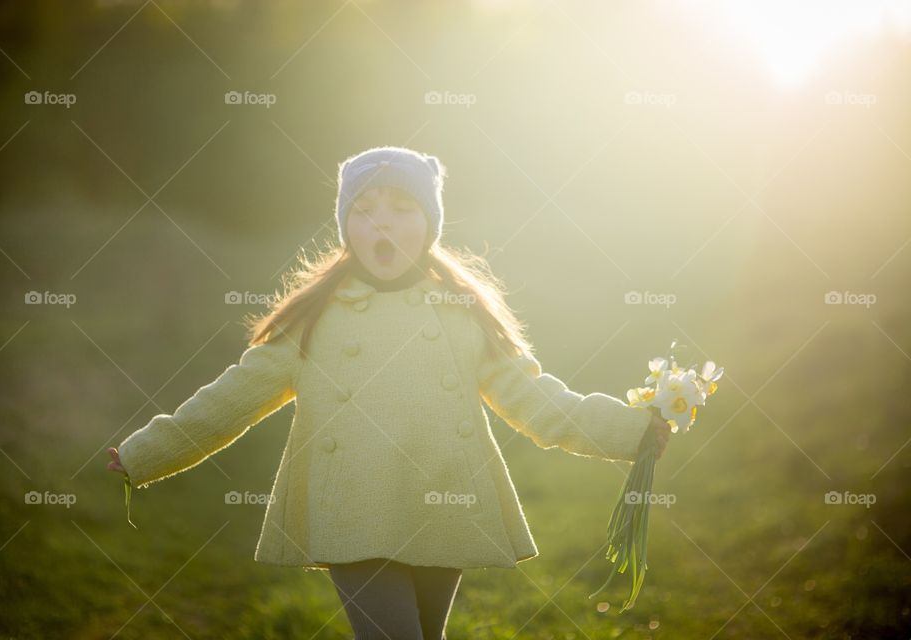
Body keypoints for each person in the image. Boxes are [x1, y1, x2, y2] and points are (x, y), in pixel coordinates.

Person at [108, 145, 672, 639]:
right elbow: (230, 400)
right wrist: (145, 453)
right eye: (364, 210)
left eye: (402, 209)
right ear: (346, 227)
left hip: (444, 502)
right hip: (353, 508)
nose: (382, 223)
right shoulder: (312, 320)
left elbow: (534, 399)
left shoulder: (461, 312)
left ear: (429, 225)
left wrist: (629, 431)